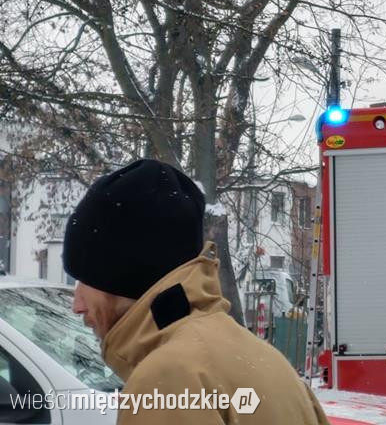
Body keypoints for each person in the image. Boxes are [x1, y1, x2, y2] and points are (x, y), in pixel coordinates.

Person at [63, 158, 330, 424]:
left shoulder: (168, 380)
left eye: (84, 281)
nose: (77, 304)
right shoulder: (270, 362)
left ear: (122, 275)